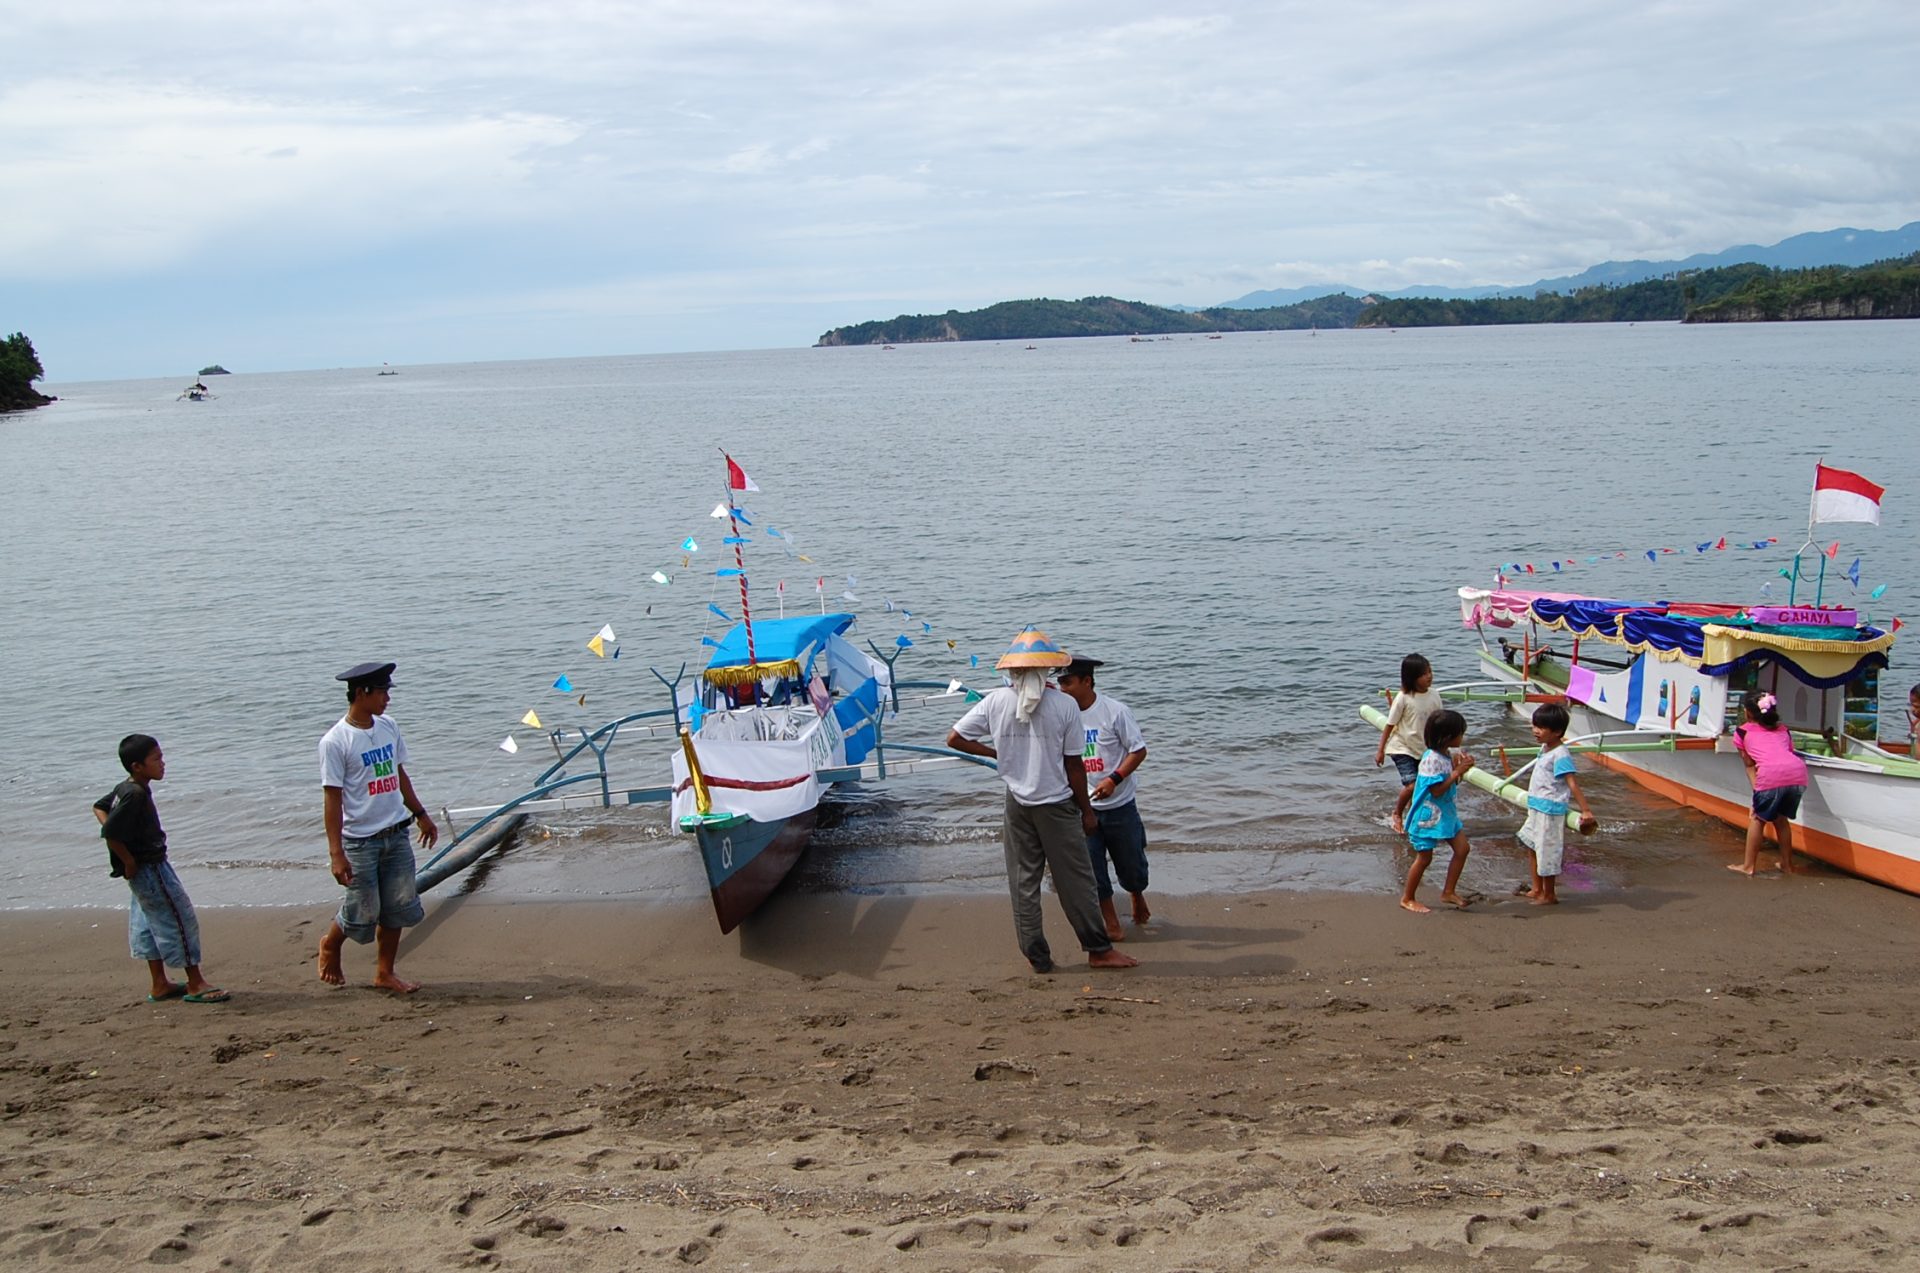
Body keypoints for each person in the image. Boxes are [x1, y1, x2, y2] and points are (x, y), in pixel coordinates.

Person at [947, 628, 1138, 973]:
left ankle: (1037, 957)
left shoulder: (994, 701)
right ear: (1047, 670)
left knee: (1023, 882)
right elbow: (1074, 766)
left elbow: (955, 738)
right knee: (1077, 881)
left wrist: (998, 754)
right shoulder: (1064, 706)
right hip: (1056, 803)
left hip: (1017, 802)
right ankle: (1098, 949)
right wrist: (1087, 812)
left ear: (1013, 671)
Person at [316, 661, 439, 992]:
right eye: (382, 692)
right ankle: (330, 943)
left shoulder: (389, 728)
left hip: (396, 832)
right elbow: (333, 799)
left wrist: (420, 814)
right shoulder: (336, 742)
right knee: (361, 910)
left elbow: (399, 775)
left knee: (398, 906)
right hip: (360, 840)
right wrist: (336, 853)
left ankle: (385, 972)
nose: (387, 699)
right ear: (362, 693)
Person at [91, 734, 229, 1003]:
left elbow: (99, 807)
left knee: (147, 922)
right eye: (156, 759)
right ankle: (195, 982)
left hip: (142, 871)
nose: (163, 763)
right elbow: (109, 831)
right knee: (179, 917)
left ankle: (159, 983)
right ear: (137, 766)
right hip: (150, 868)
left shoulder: (126, 787)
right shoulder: (135, 794)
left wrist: (127, 855)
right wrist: (128, 859)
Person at [1056, 656, 1151, 941]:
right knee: (1093, 869)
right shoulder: (1061, 715)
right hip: (1082, 807)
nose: (1063, 689)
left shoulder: (1115, 712)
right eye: (1060, 683)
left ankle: (1136, 894)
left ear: (1087, 681)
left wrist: (1114, 780)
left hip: (1120, 804)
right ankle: (1110, 921)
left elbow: (1138, 750)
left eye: (1068, 683)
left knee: (1132, 866)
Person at [1516, 703, 1597, 905]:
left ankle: (1549, 894)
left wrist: (1585, 810)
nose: (1535, 731)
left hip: (1550, 810)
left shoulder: (1561, 754)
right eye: (1535, 725)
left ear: (1557, 732)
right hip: (1536, 806)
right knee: (1531, 845)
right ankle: (1537, 888)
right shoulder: (1545, 748)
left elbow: (1572, 783)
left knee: (1547, 852)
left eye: (1541, 728)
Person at [1401, 709, 1474, 913]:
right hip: (1427, 816)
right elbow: (1436, 790)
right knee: (1424, 858)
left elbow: (1450, 784)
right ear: (1448, 737)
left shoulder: (1446, 755)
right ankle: (1407, 898)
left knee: (1462, 849)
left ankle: (1448, 891)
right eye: (1460, 733)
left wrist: (1459, 771)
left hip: (1445, 814)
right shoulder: (1431, 759)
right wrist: (1457, 771)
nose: (1462, 737)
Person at [1729, 689, 1807, 876]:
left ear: (1747, 712)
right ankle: (1787, 865)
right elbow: (1784, 754)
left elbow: (1749, 764)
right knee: (1781, 819)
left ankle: (1748, 866)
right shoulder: (1783, 729)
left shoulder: (1742, 732)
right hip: (1798, 775)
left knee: (1757, 819)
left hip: (1772, 774)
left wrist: (1757, 793)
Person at [1377, 654, 1440, 832]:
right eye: (1424, 674)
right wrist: (1380, 750)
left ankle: (1413, 818)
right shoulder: (1403, 698)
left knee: (1422, 787)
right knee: (1412, 785)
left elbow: (1439, 722)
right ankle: (1397, 813)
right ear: (1412, 678)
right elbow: (1390, 726)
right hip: (1401, 747)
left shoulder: (1434, 695)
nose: (1429, 676)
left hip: (1424, 748)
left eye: (1430, 671)